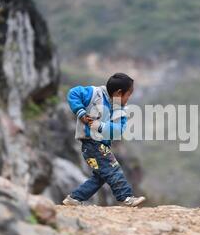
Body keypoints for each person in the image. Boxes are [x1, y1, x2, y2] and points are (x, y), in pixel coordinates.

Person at [62, 73, 146, 207]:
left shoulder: (120, 111)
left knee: (100, 177)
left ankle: (74, 198)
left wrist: (100, 126)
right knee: (113, 169)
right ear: (119, 93)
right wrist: (81, 112)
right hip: (91, 144)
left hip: (101, 145)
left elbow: (118, 130)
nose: (128, 99)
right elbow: (73, 93)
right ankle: (126, 197)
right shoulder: (94, 94)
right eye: (128, 95)